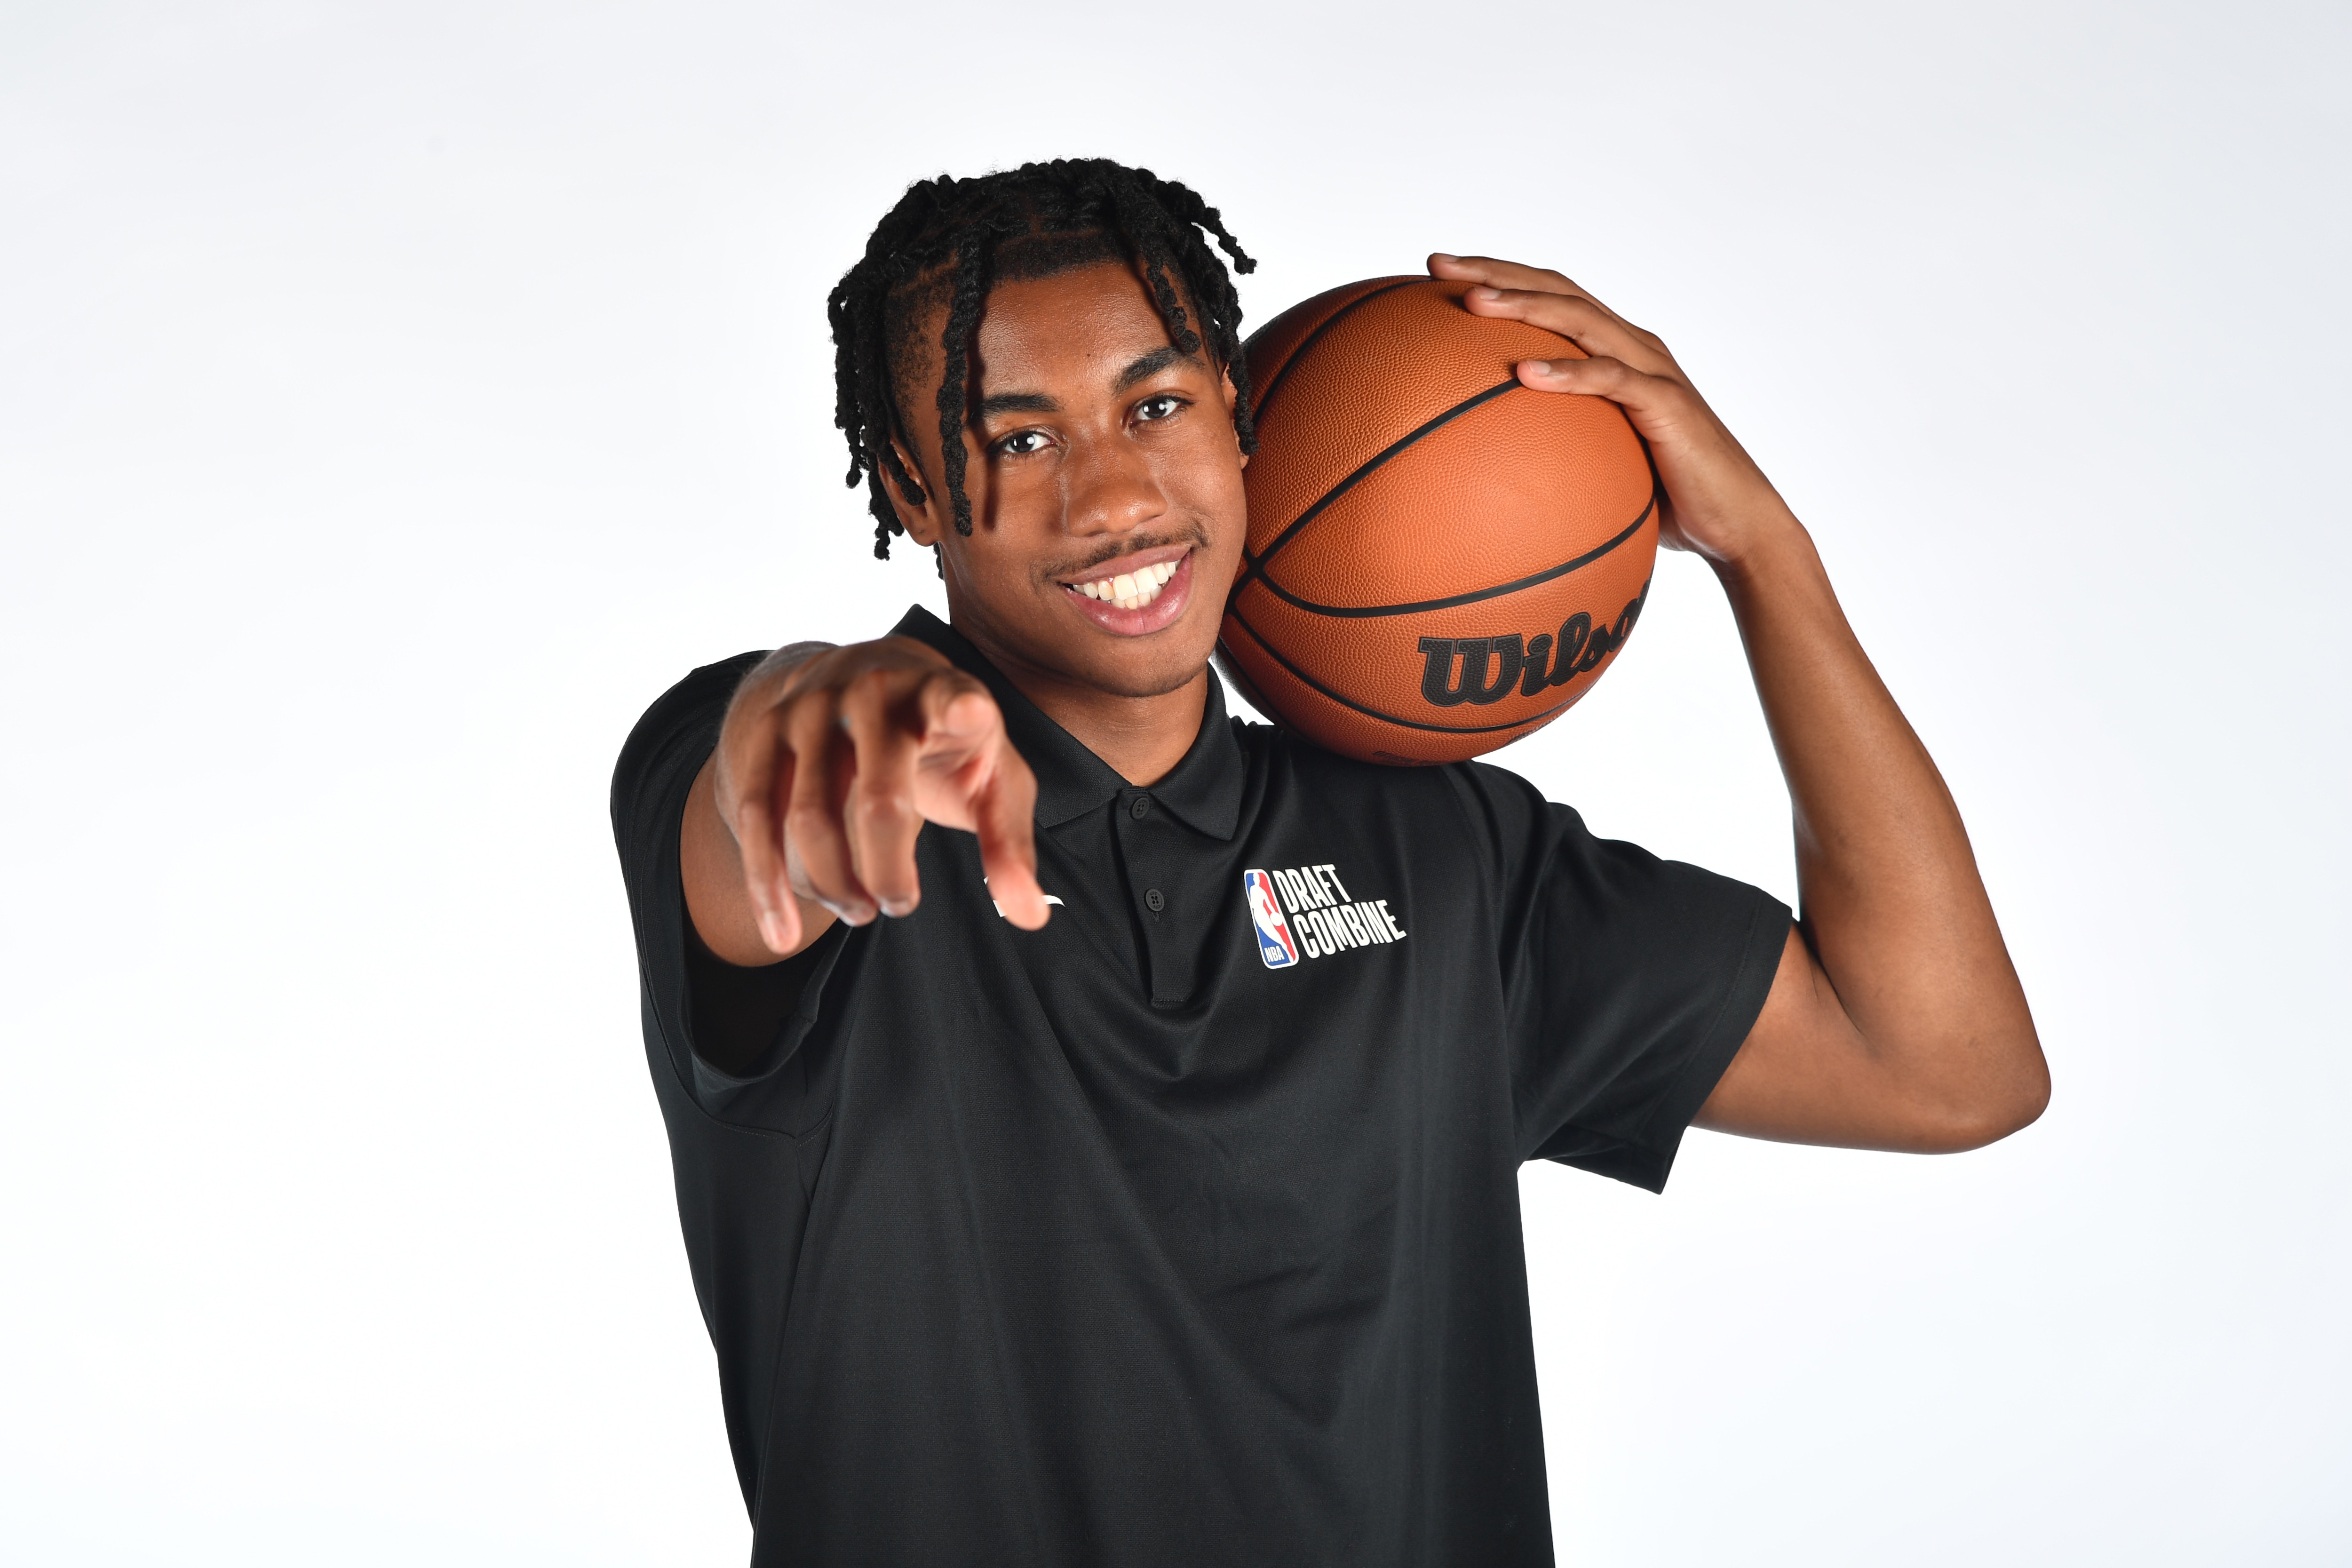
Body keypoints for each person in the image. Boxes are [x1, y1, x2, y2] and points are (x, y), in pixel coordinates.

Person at [610, 158, 2047, 1567]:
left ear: (1244, 427)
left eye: (1157, 405)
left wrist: (1763, 552)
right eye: (1021, 437)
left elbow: (1945, 1067)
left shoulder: (1442, 849)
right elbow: (755, 803)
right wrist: (801, 701)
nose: (1114, 496)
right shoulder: (828, 804)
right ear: (912, 489)